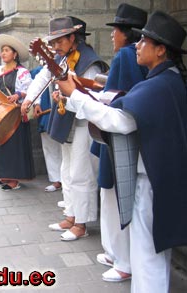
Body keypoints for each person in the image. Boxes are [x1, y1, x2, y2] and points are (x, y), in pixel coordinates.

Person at [55, 10, 187, 293]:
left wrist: (74, 95)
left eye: (144, 42)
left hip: (152, 183)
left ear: (161, 50)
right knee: (151, 253)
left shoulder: (161, 84)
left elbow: (120, 121)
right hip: (158, 180)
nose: (136, 45)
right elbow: (122, 103)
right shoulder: (168, 80)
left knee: (147, 255)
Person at [22, 17, 109, 241]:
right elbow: (44, 76)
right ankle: (70, 215)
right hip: (66, 121)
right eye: (53, 42)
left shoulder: (90, 62)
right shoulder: (62, 58)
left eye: (59, 41)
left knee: (81, 174)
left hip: (83, 123)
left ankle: (82, 223)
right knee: (67, 171)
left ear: (73, 38)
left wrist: (64, 97)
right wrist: (29, 99)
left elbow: (90, 100)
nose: (55, 47)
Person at [89, 3, 148, 283]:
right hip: (120, 135)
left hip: (116, 137)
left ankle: (122, 260)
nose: (112, 35)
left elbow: (115, 99)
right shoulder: (131, 56)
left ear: (128, 34)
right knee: (112, 196)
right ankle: (115, 253)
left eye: (116, 30)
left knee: (113, 196)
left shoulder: (126, 56)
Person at [0, 34, 35, 190]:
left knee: (13, 146)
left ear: (15, 54)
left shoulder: (22, 72)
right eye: (2, 50)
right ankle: (4, 176)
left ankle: (14, 180)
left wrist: (18, 95)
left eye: (7, 50)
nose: (3, 53)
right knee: (0, 144)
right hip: (0, 113)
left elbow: (31, 91)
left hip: (15, 114)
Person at [29, 65, 62, 193]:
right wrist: (36, 103)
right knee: (49, 145)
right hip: (46, 109)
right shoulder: (39, 71)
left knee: (65, 147)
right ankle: (56, 180)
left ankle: (67, 182)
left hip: (63, 109)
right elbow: (37, 87)